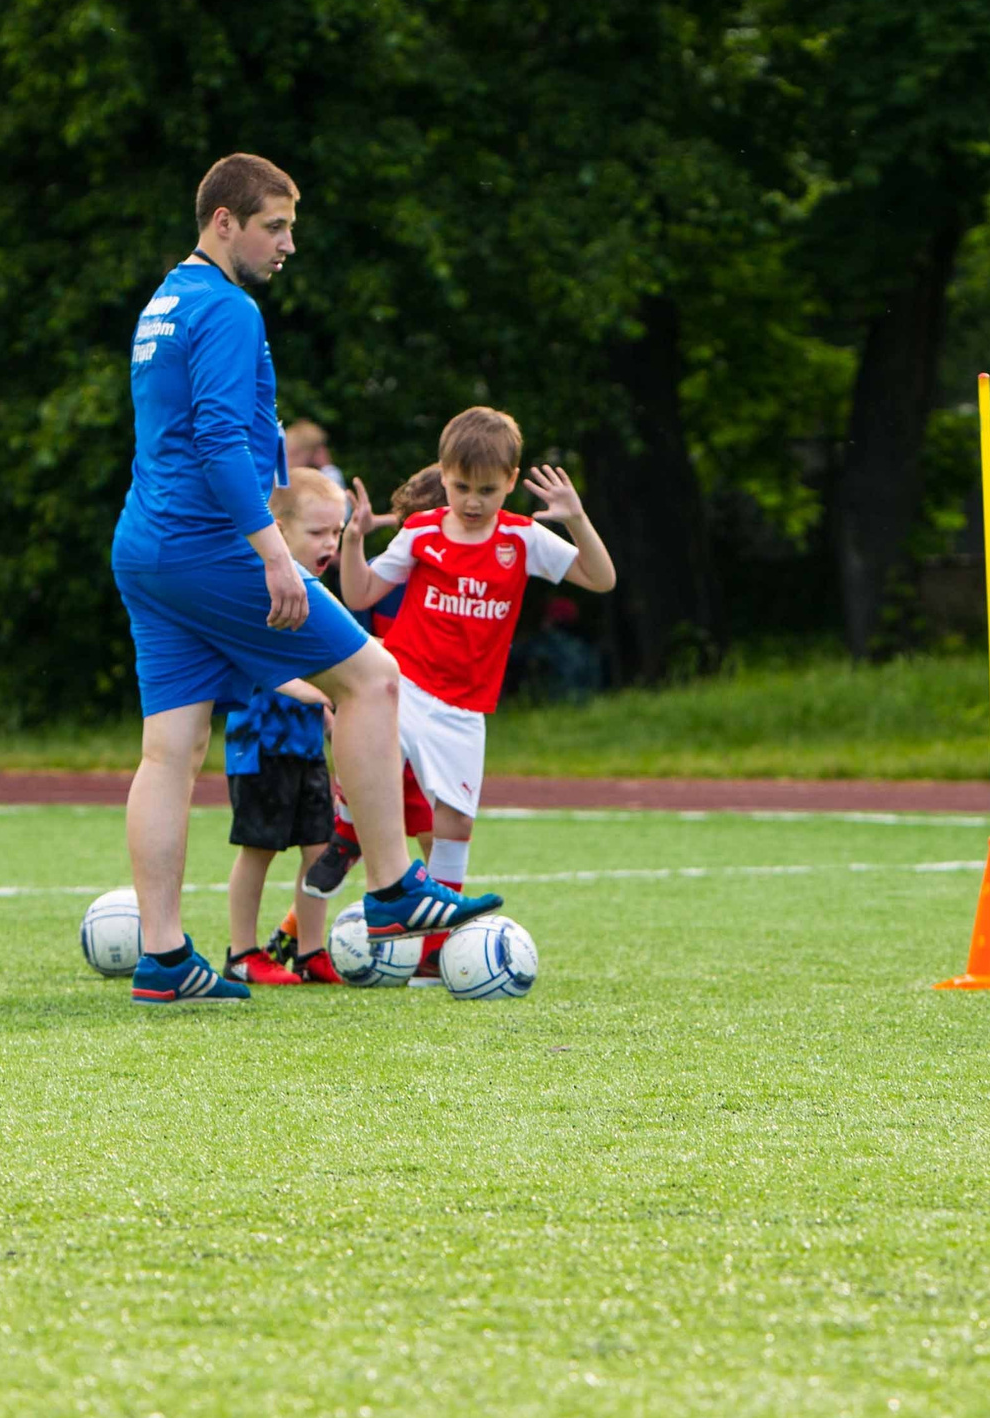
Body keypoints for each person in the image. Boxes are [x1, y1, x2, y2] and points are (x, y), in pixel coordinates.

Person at [110, 152, 502, 1006]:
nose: (289, 244)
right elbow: (218, 443)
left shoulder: (163, 303)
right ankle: (396, 887)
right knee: (372, 678)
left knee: (168, 752)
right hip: (210, 544)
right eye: (274, 226)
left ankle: (165, 958)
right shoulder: (227, 306)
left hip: (146, 544)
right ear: (225, 222)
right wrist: (273, 551)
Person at [338, 409, 616, 944]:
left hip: (466, 706)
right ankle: (347, 826)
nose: (471, 501)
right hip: (406, 684)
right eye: (460, 486)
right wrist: (353, 543)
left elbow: (600, 579)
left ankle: (434, 948)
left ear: (511, 483)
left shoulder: (522, 537)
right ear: (442, 474)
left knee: (455, 825)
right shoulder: (420, 533)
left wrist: (577, 518)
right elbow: (361, 595)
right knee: (378, 770)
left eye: (487, 490)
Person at [270, 464, 443, 974]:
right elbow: (347, 661)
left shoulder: (463, 581)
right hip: (287, 739)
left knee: (428, 825)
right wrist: (351, 544)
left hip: (421, 723)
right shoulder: (377, 577)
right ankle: (299, 939)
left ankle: (425, 945)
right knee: (303, 843)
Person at [218, 476, 352, 987]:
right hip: (259, 747)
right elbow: (256, 661)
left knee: (319, 846)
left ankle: (311, 951)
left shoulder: (318, 595)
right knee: (260, 847)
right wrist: (321, 691)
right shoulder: (257, 585)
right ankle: (243, 952)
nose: (329, 545)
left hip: (304, 747)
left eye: (336, 533)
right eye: (318, 532)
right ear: (277, 530)